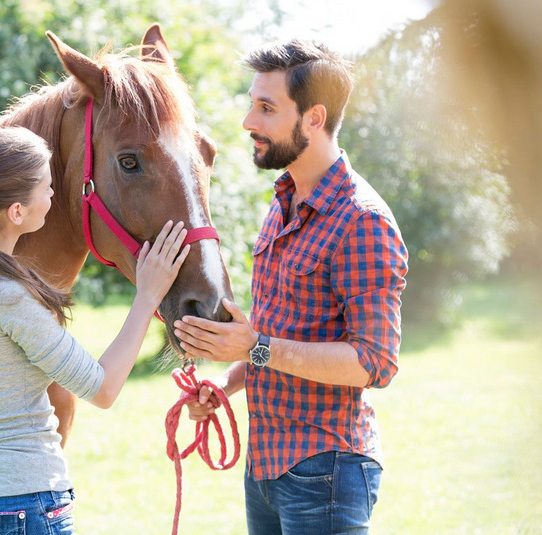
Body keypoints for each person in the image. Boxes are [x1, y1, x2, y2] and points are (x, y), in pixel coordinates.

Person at [0, 125, 190, 535]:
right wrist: (147, 296)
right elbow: (102, 388)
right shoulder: (8, 300)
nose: (55, 196)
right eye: (46, 187)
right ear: (16, 211)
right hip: (25, 506)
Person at [173, 39, 408, 534]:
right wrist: (227, 382)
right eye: (252, 104)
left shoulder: (362, 221)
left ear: (314, 118)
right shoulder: (283, 203)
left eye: (266, 108)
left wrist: (255, 349)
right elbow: (276, 332)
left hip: (327, 471)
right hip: (267, 467)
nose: (248, 122)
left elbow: (375, 363)